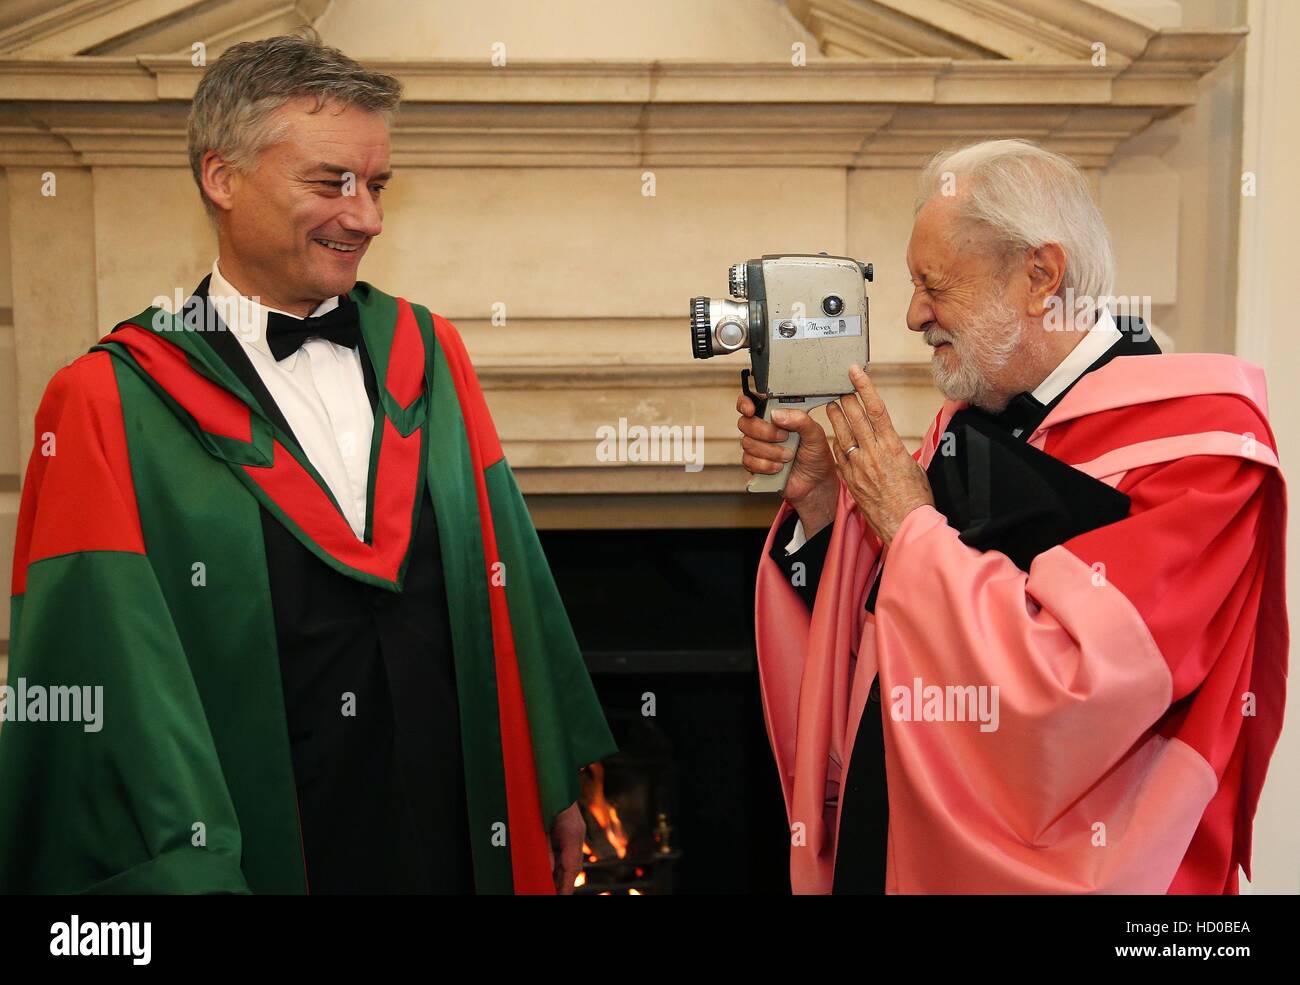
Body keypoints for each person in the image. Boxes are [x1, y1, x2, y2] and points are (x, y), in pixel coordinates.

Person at [0, 32, 615, 895]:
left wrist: (546, 776)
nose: (366, 216)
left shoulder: (428, 354)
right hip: (265, 850)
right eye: (332, 183)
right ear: (222, 177)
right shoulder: (106, 402)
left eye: (377, 186)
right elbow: (106, 675)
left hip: (453, 830)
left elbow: (509, 589)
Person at [740, 139, 1287, 894]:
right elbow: (887, 635)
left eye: (935, 285)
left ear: (1040, 278)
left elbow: (1073, 687)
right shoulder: (968, 423)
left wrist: (913, 530)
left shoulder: (1201, 451)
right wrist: (829, 505)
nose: (913, 315)